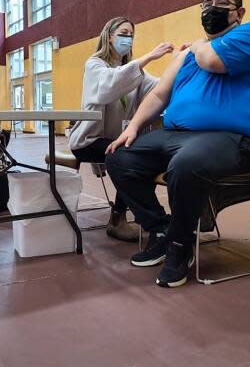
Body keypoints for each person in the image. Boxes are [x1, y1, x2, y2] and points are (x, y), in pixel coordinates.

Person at [105, 0, 250, 286]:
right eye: (206, 4)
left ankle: (181, 247)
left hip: (231, 139)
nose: (212, 9)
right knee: (119, 157)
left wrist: (196, 46)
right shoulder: (185, 57)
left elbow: (213, 61)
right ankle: (161, 229)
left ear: (240, 11)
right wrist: (131, 128)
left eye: (222, 3)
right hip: (177, 136)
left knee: (186, 163)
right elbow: (159, 94)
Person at [68, 17, 174, 241]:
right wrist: (148, 57)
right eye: (124, 33)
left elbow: (159, 87)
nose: (128, 38)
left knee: (143, 157)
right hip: (89, 140)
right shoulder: (95, 64)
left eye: (131, 35)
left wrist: (181, 65)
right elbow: (109, 86)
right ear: (109, 36)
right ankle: (124, 220)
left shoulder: (133, 71)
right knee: (131, 158)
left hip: (115, 140)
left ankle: (133, 218)